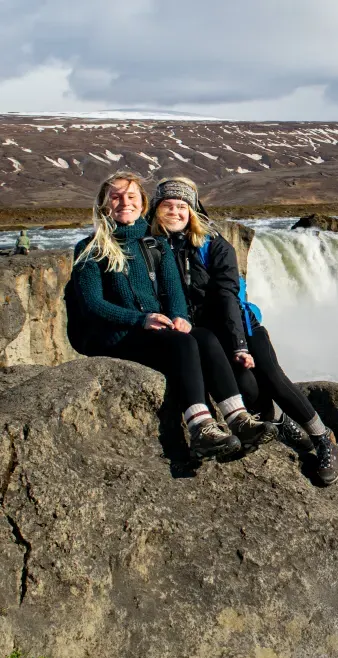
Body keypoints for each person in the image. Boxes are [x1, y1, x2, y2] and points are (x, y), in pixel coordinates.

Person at [148, 177, 338, 486]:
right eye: (167, 206)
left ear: (193, 210)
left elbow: (228, 297)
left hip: (240, 325)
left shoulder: (213, 245)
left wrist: (240, 345)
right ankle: (281, 423)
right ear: (155, 210)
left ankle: (323, 438)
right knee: (248, 391)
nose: (175, 212)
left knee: (272, 376)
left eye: (182, 206)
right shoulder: (152, 247)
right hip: (203, 334)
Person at [70, 171, 267, 460]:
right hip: (115, 335)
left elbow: (174, 290)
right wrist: (140, 319)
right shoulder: (90, 249)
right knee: (184, 344)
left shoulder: (154, 243)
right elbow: (93, 304)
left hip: (152, 329)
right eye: (116, 196)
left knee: (203, 337)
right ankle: (201, 429)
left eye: (132, 196)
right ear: (104, 205)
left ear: (142, 203)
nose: (125, 202)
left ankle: (238, 418)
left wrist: (178, 316)